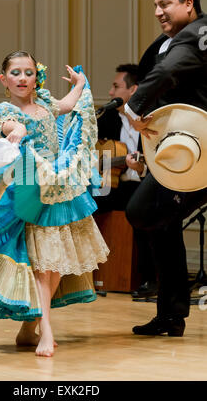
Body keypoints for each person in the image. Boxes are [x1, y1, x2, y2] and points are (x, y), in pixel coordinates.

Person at [0, 51, 109, 357]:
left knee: (53, 265)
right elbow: (10, 126)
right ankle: (45, 330)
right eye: (16, 73)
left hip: (57, 186)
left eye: (28, 72)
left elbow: (66, 106)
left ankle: (31, 326)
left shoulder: (44, 103)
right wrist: (19, 130)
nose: (23, 78)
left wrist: (80, 85)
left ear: (35, 75)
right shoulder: (4, 110)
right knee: (41, 267)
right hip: (29, 187)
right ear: (4, 79)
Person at [124, 0, 207, 336]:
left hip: (200, 157)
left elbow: (169, 71)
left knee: (147, 212)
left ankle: (172, 313)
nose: (157, 11)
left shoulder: (194, 36)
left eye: (165, 4)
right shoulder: (183, 36)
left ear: (189, 4)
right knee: (155, 217)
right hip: (186, 154)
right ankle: (172, 314)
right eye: (155, 6)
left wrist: (135, 107)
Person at [95, 64, 157, 298]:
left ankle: (149, 279)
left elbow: (158, 162)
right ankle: (86, 277)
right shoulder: (109, 116)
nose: (111, 93)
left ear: (134, 90)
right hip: (114, 185)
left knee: (141, 209)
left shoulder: (151, 119)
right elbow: (90, 149)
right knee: (85, 204)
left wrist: (140, 167)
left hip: (144, 185)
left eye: (116, 86)